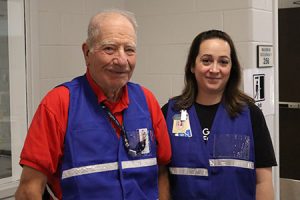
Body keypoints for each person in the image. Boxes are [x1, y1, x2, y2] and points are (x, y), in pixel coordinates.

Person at [15, 9, 171, 200]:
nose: (122, 60)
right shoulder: (59, 103)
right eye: (109, 48)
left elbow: (162, 170)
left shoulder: (147, 101)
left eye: (129, 50)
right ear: (87, 52)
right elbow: (28, 190)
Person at [161, 30, 277, 200]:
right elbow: (162, 176)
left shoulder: (251, 115)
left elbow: (263, 181)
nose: (214, 69)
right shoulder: (169, 113)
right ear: (192, 66)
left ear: (232, 68)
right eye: (206, 61)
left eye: (223, 62)